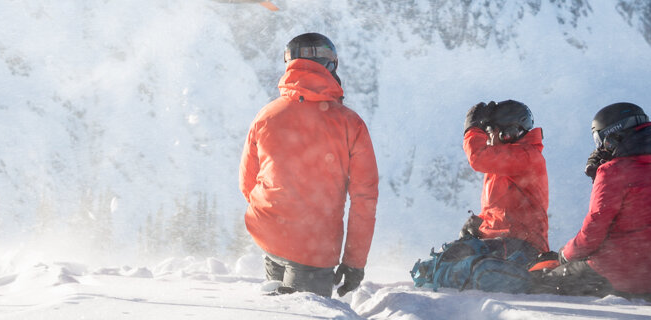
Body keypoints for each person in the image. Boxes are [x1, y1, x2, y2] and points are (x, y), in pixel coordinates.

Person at [239, 32, 378, 298]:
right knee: (304, 311)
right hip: (314, 248)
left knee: (277, 310)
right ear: (331, 65)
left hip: (269, 234)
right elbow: (364, 198)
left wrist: (278, 216)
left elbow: (247, 181)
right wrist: (354, 262)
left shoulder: (266, 115)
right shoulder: (350, 124)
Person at [411, 99, 548, 292]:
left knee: (466, 268)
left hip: (523, 246)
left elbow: (478, 157)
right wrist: (481, 223)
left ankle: (521, 279)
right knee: (437, 264)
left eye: (491, 131)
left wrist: (473, 129)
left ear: (508, 133)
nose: (488, 138)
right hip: (502, 240)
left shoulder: (527, 156)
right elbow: (502, 208)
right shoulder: (505, 158)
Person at [539, 101, 651, 297]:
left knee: (541, 283)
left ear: (613, 138)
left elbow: (593, 232)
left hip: (620, 274)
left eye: (600, 141)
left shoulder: (613, 172)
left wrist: (565, 254)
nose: (600, 148)